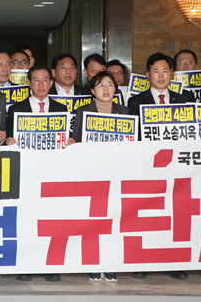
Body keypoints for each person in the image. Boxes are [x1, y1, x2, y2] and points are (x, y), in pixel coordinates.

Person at [127, 52, 192, 281]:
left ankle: (173, 261)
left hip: (176, 167)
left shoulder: (184, 100)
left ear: (172, 74)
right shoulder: (135, 101)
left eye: (165, 71)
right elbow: (132, 134)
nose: (161, 75)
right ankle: (142, 261)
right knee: (147, 213)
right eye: (156, 71)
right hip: (147, 167)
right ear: (148, 75)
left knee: (174, 213)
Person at [5, 64, 67, 283]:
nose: (41, 85)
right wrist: (8, 141)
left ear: (51, 83)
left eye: (45, 80)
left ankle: (49, 264)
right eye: (36, 81)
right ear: (29, 84)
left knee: (50, 219)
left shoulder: (61, 109)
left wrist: (70, 142)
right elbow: (8, 139)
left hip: (52, 172)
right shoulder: (15, 109)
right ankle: (26, 264)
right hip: (26, 173)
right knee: (26, 219)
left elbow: (67, 139)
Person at [70, 70, 127, 283]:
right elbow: (76, 140)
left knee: (114, 219)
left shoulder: (125, 111)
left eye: (110, 84)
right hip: (92, 174)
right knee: (93, 221)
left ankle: (110, 262)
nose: (106, 89)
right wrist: (72, 143)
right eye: (100, 85)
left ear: (116, 89)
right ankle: (94, 262)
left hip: (117, 174)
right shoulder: (83, 112)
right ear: (93, 91)